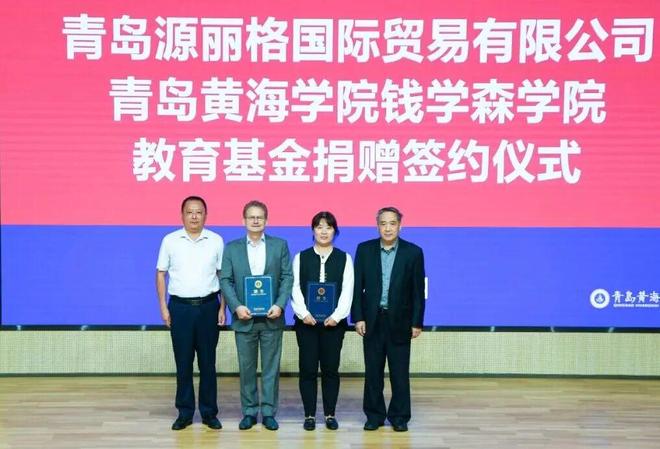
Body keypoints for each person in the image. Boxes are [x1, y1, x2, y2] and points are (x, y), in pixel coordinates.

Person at [219, 200, 293, 431]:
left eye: (260, 217)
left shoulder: (279, 245)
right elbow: (225, 280)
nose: (255, 220)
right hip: (244, 318)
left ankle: (269, 412)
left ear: (266, 220)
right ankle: (249, 412)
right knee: (247, 369)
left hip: (272, 318)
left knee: (271, 369)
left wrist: (280, 305)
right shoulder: (232, 248)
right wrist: (236, 306)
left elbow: (287, 277)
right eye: (251, 217)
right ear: (243, 220)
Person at [351, 206, 425, 432]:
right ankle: (374, 416)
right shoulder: (365, 250)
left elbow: (418, 291)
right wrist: (358, 317)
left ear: (400, 226)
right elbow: (357, 287)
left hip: (400, 321)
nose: (388, 228)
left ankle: (399, 416)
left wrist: (417, 322)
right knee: (373, 372)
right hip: (372, 321)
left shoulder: (413, 252)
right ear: (377, 226)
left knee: (399, 373)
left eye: (392, 223)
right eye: (383, 223)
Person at [156, 196, 225, 431]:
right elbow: (160, 273)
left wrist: (223, 307)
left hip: (208, 307)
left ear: (206, 215)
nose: (194, 216)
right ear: (182, 215)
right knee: (183, 363)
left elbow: (222, 276)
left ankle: (209, 413)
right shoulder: (170, 240)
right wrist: (163, 307)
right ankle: (184, 413)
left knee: (208, 363)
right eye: (189, 212)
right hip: (180, 309)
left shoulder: (216, 240)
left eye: (199, 212)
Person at [291, 211, 354, 431]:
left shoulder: (345, 258)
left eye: (328, 227)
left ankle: (329, 414)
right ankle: (309, 415)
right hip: (306, 324)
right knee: (307, 370)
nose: (324, 231)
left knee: (330, 370)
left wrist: (336, 316)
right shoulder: (301, 257)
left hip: (333, 326)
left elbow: (347, 290)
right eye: (319, 227)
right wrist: (303, 314)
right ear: (313, 230)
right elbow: (294, 288)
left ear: (335, 231)